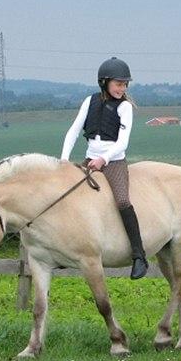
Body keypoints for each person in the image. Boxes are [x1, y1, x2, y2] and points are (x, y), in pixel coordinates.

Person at [60, 57, 148, 280]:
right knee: (68, 197)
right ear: (105, 82)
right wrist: (63, 160)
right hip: (89, 160)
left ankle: (139, 256)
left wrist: (104, 160)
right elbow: (73, 131)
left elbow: (122, 143)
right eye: (119, 84)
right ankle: (65, 249)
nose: (123, 88)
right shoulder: (89, 101)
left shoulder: (125, 107)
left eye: (125, 84)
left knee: (122, 201)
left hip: (114, 162)